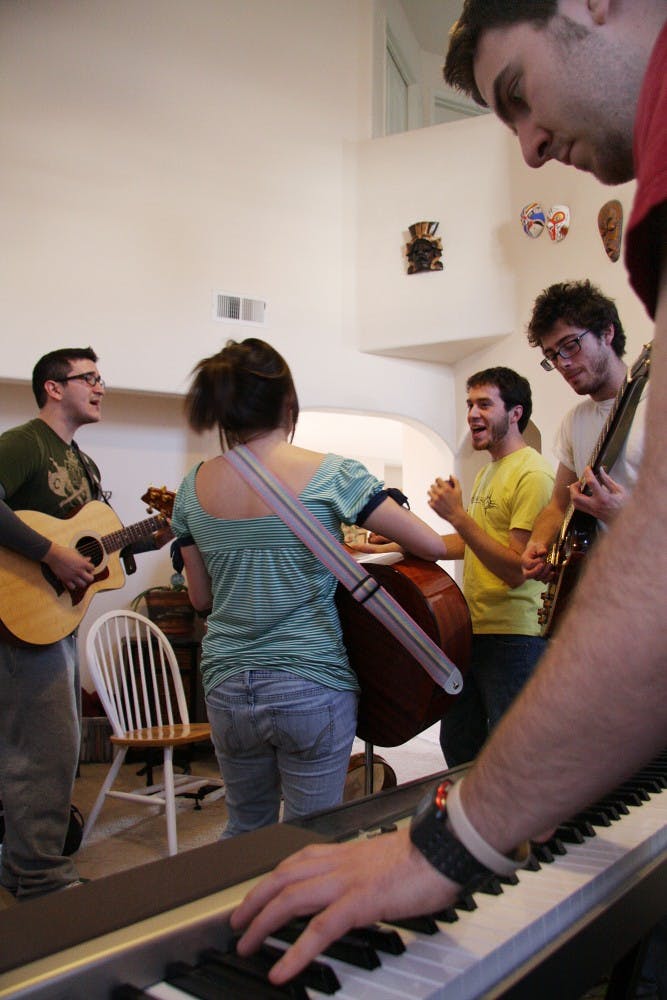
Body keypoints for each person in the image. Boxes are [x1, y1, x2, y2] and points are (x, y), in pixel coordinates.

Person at [229, 2, 667, 987]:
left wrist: (452, 840)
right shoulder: (567, 434)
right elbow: (553, 541)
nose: (532, 145)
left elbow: (602, 563)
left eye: (518, 97)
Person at [170, 337, 447, 838]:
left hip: (227, 686)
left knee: (245, 828)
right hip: (310, 681)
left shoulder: (192, 487)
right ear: (288, 403)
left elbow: (201, 600)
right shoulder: (333, 474)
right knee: (314, 836)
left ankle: (241, 913)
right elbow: (428, 543)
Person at [0, 348, 168, 900]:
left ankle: (23, 866)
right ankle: (41, 880)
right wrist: (50, 553)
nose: (101, 387)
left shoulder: (84, 463)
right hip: (21, 622)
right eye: (89, 378)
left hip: (57, 623)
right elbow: (58, 549)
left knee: (57, 749)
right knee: (41, 752)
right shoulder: (26, 442)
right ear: (53, 387)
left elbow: (97, 549)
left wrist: (152, 535)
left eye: (101, 378)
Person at [359, 367, 554, 767]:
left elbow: (516, 568)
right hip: (470, 631)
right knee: (461, 748)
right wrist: (399, 542)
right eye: (469, 404)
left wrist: (459, 516)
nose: (472, 414)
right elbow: (471, 544)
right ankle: (471, 828)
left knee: (511, 755)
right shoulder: (487, 472)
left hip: (515, 637)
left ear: (515, 413)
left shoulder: (533, 474)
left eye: (484, 404)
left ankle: (518, 830)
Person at [521, 279, 646, 586]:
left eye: (570, 345)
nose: (562, 363)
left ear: (607, 332)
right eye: (552, 355)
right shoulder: (574, 422)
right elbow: (557, 505)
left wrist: (623, 516)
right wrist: (539, 545)